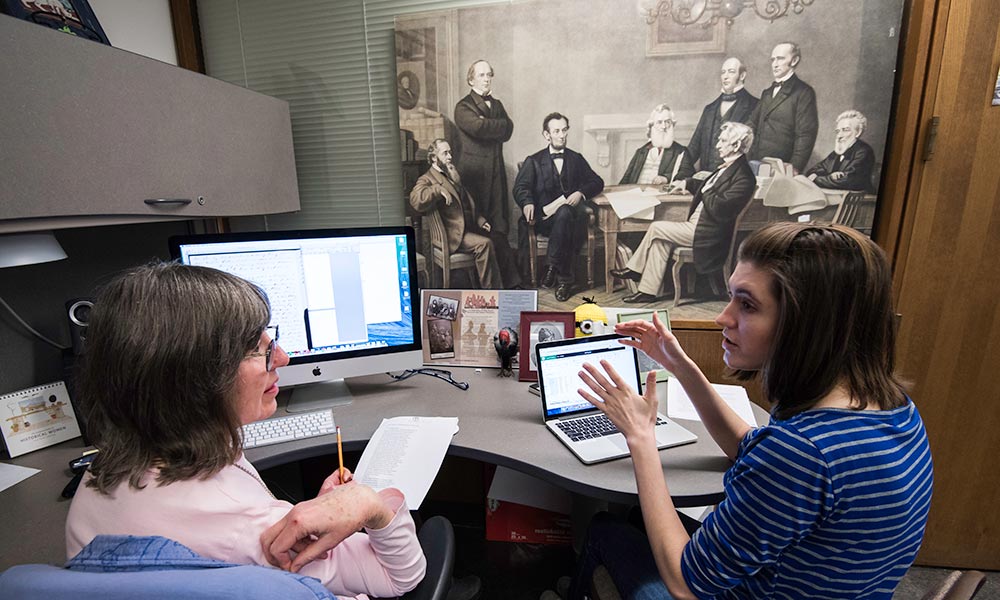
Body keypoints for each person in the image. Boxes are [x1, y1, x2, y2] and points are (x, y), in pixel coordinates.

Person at [571, 222, 933, 599]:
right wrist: (679, 365)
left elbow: (684, 582)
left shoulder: (802, 453)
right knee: (637, 519)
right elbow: (752, 447)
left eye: (747, 304)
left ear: (805, 322)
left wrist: (640, 436)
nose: (722, 318)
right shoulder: (891, 410)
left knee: (604, 529)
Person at [65, 263, 426, 599]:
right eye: (257, 349)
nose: (282, 358)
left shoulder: (103, 469)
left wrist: (313, 511)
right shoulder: (253, 532)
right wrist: (367, 505)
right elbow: (399, 576)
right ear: (196, 378)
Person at [610, 122, 755, 304]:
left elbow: (720, 207)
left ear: (736, 145)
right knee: (659, 242)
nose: (718, 145)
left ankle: (634, 269)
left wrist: (706, 189)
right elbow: (707, 188)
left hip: (708, 234)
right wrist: (687, 183)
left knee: (656, 227)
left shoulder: (744, 176)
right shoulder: (727, 168)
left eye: (723, 141)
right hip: (699, 226)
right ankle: (647, 291)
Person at [513, 112, 605, 302]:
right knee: (563, 218)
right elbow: (520, 187)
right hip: (544, 220)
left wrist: (580, 193)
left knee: (565, 215)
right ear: (547, 135)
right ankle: (563, 279)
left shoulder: (576, 159)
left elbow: (597, 181)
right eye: (557, 131)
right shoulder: (534, 161)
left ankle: (553, 268)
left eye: (564, 130)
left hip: (571, 219)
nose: (562, 135)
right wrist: (527, 201)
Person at [409, 138, 521, 289]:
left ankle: (514, 285)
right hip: (454, 234)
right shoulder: (427, 178)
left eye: (450, 152)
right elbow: (415, 199)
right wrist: (437, 189)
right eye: (445, 153)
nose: (449, 157)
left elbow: (466, 202)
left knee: (499, 237)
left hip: (468, 227)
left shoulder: (451, 173)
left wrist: (480, 220)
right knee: (485, 244)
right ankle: (493, 293)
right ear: (434, 158)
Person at [454, 60, 515, 239]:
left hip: (496, 172)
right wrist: (497, 125)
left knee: (499, 225)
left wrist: (488, 124)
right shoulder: (463, 107)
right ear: (471, 80)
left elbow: (508, 129)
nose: (486, 79)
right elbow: (478, 128)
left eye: (489, 75)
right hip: (474, 175)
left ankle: (501, 266)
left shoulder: (497, 104)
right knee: (477, 225)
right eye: (481, 75)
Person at [677, 57, 758, 179]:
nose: (725, 76)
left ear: (742, 76)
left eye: (731, 72)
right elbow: (693, 148)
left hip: (734, 179)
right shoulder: (709, 109)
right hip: (705, 179)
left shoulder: (755, 106)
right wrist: (681, 177)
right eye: (723, 72)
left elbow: (753, 150)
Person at [748, 42, 819, 174]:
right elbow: (752, 123)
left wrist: (796, 166)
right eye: (772, 60)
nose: (774, 64)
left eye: (780, 58)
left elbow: (806, 134)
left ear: (794, 60)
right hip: (756, 162)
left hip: (781, 166)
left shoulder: (803, 92)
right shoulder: (767, 93)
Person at [805, 109, 877, 192]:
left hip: (861, 200)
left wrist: (816, 179)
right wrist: (831, 177)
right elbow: (811, 171)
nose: (839, 135)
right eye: (838, 131)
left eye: (845, 130)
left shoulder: (864, 151)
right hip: (838, 196)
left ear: (858, 132)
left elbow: (847, 181)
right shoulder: (837, 152)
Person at [619, 105, 687, 186]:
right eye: (659, 122)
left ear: (672, 125)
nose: (664, 126)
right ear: (652, 126)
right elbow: (626, 178)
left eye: (667, 122)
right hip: (635, 194)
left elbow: (687, 175)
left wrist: (666, 178)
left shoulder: (680, 151)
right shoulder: (641, 152)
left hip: (660, 195)